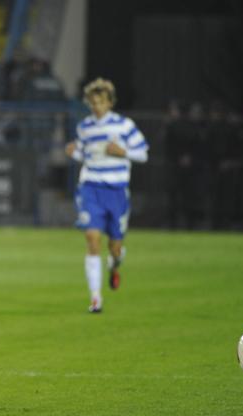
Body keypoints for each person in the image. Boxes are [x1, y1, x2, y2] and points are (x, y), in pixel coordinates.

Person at [65, 78, 148, 313]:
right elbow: (86, 155)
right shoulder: (84, 127)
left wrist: (123, 152)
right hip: (91, 188)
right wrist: (74, 153)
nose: (97, 107)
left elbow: (143, 154)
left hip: (116, 191)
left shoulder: (124, 126)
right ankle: (95, 298)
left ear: (110, 102)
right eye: (93, 102)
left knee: (115, 247)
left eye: (101, 102)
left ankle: (115, 263)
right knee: (92, 238)